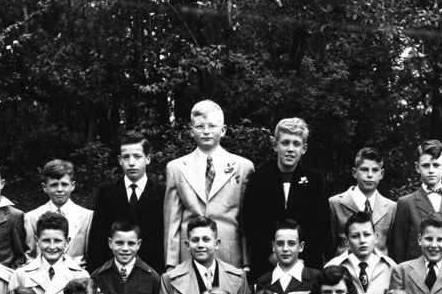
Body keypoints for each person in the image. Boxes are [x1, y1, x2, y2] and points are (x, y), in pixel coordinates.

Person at [163, 100, 254, 269]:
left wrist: (247, 262)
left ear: (224, 130)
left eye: (212, 126)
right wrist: (170, 264)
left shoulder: (243, 167)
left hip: (230, 255)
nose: (206, 131)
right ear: (191, 131)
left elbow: (246, 220)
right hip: (188, 254)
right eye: (199, 126)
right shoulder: (176, 168)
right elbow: (172, 222)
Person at [242, 117, 334, 269]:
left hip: (306, 264)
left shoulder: (314, 181)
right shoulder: (259, 179)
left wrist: (302, 258)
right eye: (285, 143)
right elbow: (250, 223)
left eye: (296, 144)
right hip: (267, 263)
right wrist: (270, 254)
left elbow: (321, 225)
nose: (290, 149)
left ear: (303, 148)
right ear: (275, 145)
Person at [86, 133, 165, 272]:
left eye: (137, 156)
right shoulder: (106, 192)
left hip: (151, 272)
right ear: (119, 160)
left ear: (148, 158)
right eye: (126, 157)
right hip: (112, 273)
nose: (132, 162)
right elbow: (97, 239)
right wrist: (96, 275)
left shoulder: (161, 193)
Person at [390, 139, 442, 263]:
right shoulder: (406, 203)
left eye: (436, 165)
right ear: (417, 167)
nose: (431, 170)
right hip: (417, 275)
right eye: (426, 165)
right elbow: (399, 249)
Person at [9, 212, 89, 294]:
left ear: (67, 242)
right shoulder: (21, 275)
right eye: (46, 241)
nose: (52, 247)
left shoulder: (80, 275)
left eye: (57, 241)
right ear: (37, 241)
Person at [327, 212, 398, 294]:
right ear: (347, 241)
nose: (362, 240)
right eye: (355, 236)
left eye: (367, 234)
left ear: (375, 238)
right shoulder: (334, 267)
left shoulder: (390, 267)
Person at [90, 220, 162, 294]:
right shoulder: (98, 277)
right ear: (110, 243)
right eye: (119, 243)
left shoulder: (152, 277)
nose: (125, 248)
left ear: (139, 244)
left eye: (131, 243)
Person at [252, 219, 320, 294]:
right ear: (273, 246)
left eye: (291, 243)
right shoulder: (263, 281)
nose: (285, 249)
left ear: (301, 246)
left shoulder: (315, 278)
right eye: (280, 243)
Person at [23, 159, 92, 269]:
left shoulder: (87, 217)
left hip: (77, 279)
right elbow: (30, 257)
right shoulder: (32, 217)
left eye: (64, 184)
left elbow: (90, 256)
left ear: (73, 185)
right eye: (54, 185)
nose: (60, 189)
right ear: (44, 187)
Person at [328, 147, 397, 257]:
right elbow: (330, 244)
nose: (369, 175)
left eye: (375, 170)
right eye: (364, 169)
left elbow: (391, 245)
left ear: (382, 174)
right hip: (344, 270)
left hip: (379, 270)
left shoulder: (391, 207)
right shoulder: (335, 203)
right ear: (355, 172)